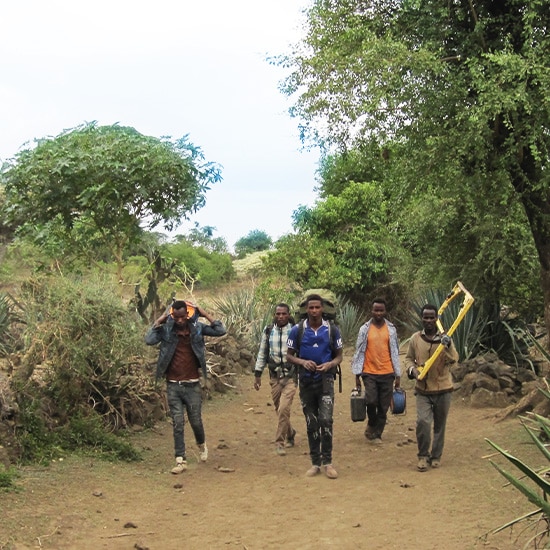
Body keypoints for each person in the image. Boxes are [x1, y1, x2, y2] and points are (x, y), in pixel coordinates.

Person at [145, 299, 226, 474]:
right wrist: (160, 320)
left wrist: (204, 313)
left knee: (196, 421)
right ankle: (180, 460)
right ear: (172, 315)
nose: (180, 320)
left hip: (192, 384)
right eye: (176, 317)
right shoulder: (166, 330)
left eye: (183, 317)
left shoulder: (197, 329)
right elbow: (149, 339)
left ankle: (201, 444)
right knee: (178, 423)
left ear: (187, 314)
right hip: (173, 384)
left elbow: (220, 330)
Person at [286, 294, 343, 479]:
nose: (314, 311)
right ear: (306, 310)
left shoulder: (332, 330)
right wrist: (302, 362)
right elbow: (289, 355)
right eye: (311, 308)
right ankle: (315, 463)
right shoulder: (297, 330)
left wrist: (330, 365)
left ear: (322, 309)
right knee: (312, 423)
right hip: (306, 382)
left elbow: (339, 356)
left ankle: (328, 462)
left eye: (317, 307)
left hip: (326, 381)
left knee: (326, 421)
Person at [404, 304, 459, 472]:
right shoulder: (415, 338)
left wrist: (447, 345)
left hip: (443, 389)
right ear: (421, 319)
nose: (428, 320)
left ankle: (436, 456)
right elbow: (408, 359)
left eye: (431, 317)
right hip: (423, 390)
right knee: (423, 422)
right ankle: (422, 456)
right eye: (425, 317)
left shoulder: (445, 339)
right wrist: (412, 370)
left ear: (437, 319)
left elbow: (454, 359)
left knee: (440, 425)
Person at [350, 298, 401, 444]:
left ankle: (377, 434)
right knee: (371, 401)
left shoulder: (391, 329)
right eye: (376, 310)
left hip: (387, 372)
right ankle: (372, 423)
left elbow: (395, 353)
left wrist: (398, 375)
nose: (378, 313)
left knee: (383, 406)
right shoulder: (364, 329)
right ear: (371, 311)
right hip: (369, 372)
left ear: (385, 311)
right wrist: (357, 376)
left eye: (381, 310)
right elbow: (358, 352)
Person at [254, 303, 297, 456]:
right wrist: (257, 374)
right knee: (279, 409)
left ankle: (280, 442)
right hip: (274, 377)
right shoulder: (268, 331)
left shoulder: (295, 330)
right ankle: (291, 433)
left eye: (283, 314)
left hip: (291, 376)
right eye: (278, 314)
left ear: (288, 314)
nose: (280, 317)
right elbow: (262, 352)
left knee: (284, 408)